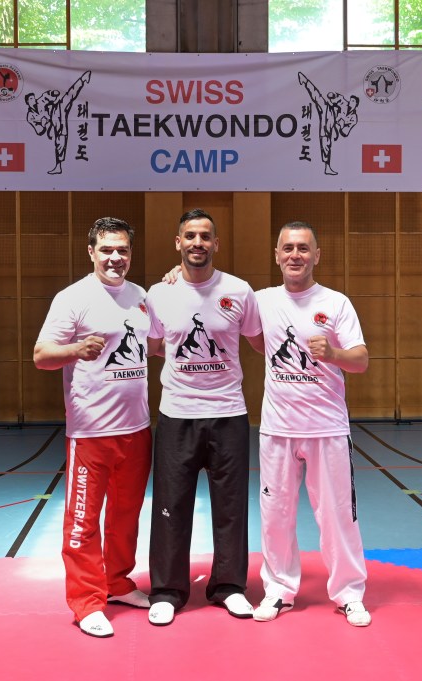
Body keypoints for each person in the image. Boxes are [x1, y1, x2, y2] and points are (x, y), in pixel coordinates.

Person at [33, 216, 153, 638]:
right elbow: (41, 356)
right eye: (106, 250)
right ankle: (86, 601)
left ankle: (117, 582)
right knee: (83, 520)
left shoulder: (141, 296)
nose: (115, 257)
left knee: (126, 515)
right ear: (91, 252)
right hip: (90, 432)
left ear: (131, 253)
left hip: (137, 428)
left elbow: (157, 343)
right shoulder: (73, 298)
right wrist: (75, 349)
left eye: (122, 250)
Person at [144, 208, 264, 626]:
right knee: (170, 506)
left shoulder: (239, 290)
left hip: (229, 413)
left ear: (216, 244)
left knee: (231, 506)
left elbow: (260, 341)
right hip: (177, 414)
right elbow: (154, 346)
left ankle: (229, 586)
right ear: (178, 242)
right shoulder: (158, 294)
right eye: (190, 236)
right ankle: (167, 590)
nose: (198, 243)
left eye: (205, 236)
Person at [251, 220, 372, 627]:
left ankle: (349, 593)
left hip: (327, 428)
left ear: (316, 255)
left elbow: (361, 360)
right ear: (277, 255)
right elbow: (219, 303)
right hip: (278, 429)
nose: (295, 255)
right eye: (288, 248)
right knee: (275, 514)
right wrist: (176, 275)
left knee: (338, 516)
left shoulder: (336, 303)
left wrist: (333, 354)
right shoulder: (262, 300)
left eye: (303, 248)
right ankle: (278, 589)